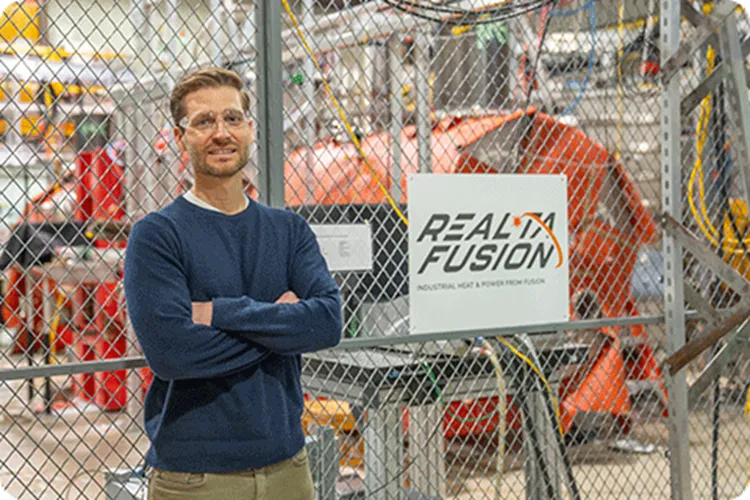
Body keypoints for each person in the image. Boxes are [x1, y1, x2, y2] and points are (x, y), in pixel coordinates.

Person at [123, 67, 342, 499]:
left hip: (289, 468)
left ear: (250, 129)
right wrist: (281, 325)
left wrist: (219, 312)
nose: (221, 133)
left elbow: (327, 322)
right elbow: (172, 353)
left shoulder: (288, 230)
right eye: (204, 121)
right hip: (197, 478)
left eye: (232, 118)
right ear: (181, 136)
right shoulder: (157, 235)